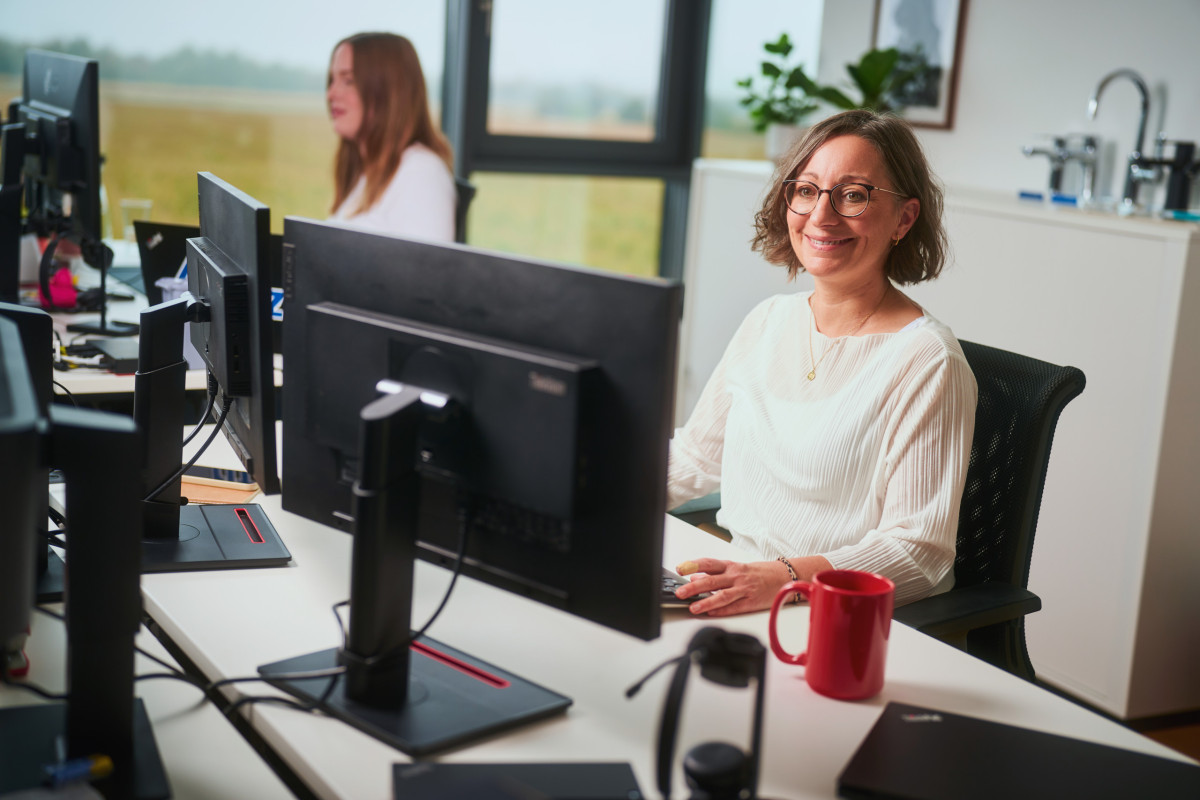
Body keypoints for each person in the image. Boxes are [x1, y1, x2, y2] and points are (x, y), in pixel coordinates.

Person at [668, 109, 977, 615]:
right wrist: (586, 495)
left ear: (904, 218)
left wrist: (782, 579)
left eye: (853, 195)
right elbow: (695, 460)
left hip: (834, 615)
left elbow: (919, 554)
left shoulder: (926, 360)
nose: (821, 216)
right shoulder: (767, 322)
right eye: (807, 189)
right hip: (740, 590)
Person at [326, 32, 457, 242]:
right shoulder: (368, 171)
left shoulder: (422, 172)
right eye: (332, 80)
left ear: (389, 91)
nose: (331, 94)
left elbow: (428, 272)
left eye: (348, 80)